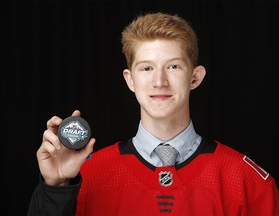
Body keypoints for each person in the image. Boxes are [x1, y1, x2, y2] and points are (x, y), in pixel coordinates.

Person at [27, 12, 279, 215]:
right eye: (146, 68)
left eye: (173, 66)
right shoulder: (85, 177)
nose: (160, 81)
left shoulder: (248, 182)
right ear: (130, 80)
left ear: (195, 77)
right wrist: (55, 189)